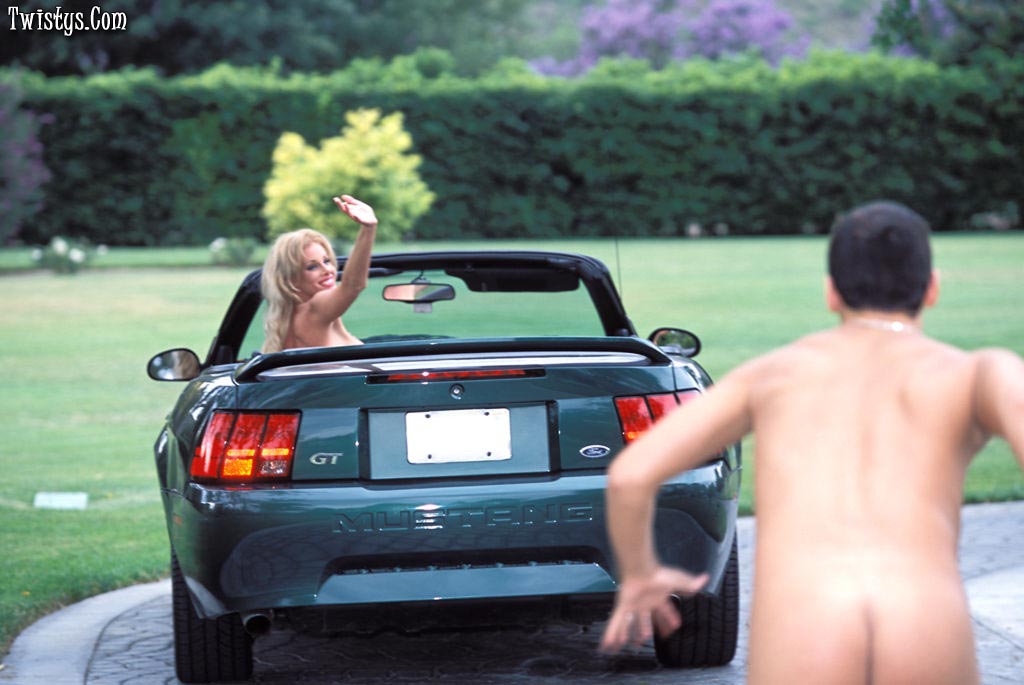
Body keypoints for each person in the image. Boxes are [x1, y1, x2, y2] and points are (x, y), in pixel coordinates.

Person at [598, 201, 1024, 684]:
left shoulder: (773, 375)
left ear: (831, 293)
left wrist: (641, 575)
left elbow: (631, 475)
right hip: (922, 613)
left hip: (804, 621)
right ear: (932, 287)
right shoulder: (980, 373)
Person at [261, 195, 378, 353]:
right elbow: (353, 286)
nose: (327, 270)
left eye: (327, 261)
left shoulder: (297, 319)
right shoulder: (313, 310)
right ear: (290, 279)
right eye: (312, 267)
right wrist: (368, 229)